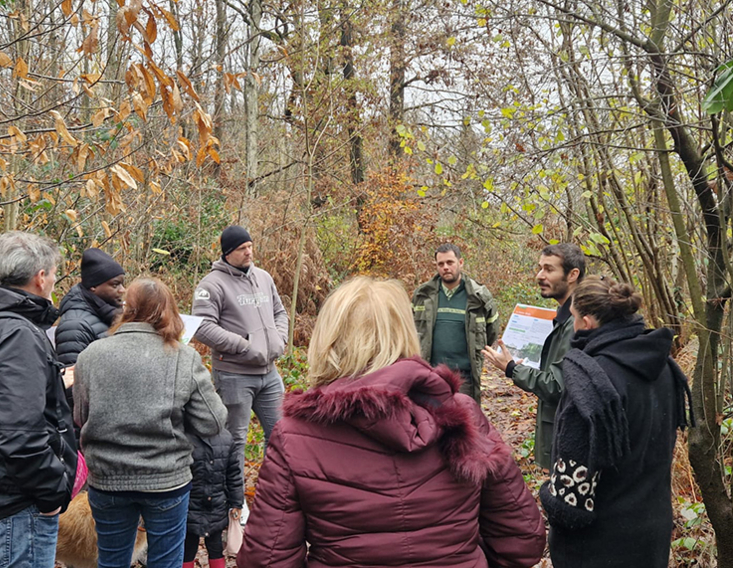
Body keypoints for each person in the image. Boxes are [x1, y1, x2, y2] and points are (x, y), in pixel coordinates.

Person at [238, 277, 546, 568]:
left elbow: (267, 559)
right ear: (406, 333)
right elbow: (522, 539)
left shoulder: (295, 435)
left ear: (327, 341)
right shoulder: (461, 414)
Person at [74, 277, 227, 568]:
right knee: (166, 562)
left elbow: (81, 417)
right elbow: (213, 421)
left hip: (107, 477)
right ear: (170, 311)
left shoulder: (90, 355)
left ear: (126, 309)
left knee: (111, 561)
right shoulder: (184, 357)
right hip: (166, 479)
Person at [540, 276, 691, 567]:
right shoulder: (664, 367)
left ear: (586, 323)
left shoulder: (590, 381)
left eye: (573, 318)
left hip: (598, 547)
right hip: (652, 535)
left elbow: (570, 499)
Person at [0, 231, 77, 568]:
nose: (54, 281)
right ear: (41, 277)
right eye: (54, 274)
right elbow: (19, 435)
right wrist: (52, 493)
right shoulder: (16, 335)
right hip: (15, 507)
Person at [192, 225, 289, 474]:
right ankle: (235, 495)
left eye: (250, 246)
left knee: (281, 434)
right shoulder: (211, 285)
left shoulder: (263, 277)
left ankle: (272, 487)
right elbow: (202, 326)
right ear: (227, 253)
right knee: (235, 441)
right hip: (234, 376)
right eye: (242, 248)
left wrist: (279, 338)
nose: (249, 252)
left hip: (269, 374)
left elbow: (280, 312)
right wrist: (243, 345)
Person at [483, 243, 585, 468]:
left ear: (572, 275)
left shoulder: (576, 322)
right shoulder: (566, 315)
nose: (539, 275)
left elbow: (557, 386)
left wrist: (512, 368)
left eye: (549, 269)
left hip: (570, 440)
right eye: (540, 268)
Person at [412, 243, 499, 402]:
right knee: (430, 416)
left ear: (460, 262)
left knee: (464, 415)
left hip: (464, 377)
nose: (445, 267)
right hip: (430, 374)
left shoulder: (478, 296)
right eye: (441, 264)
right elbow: (410, 330)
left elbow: (491, 331)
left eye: (450, 262)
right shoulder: (422, 295)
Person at [55, 248, 126, 415]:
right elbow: (73, 387)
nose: (122, 290)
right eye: (115, 284)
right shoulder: (75, 325)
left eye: (122, 284)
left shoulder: (108, 314)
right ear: (93, 286)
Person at [183, 429, 243, 568]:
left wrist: (236, 502)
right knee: (189, 547)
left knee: (215, 547)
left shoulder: (225, 438)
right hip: (192, 506)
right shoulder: (185, 435)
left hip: (215, 505)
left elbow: (233, 474)